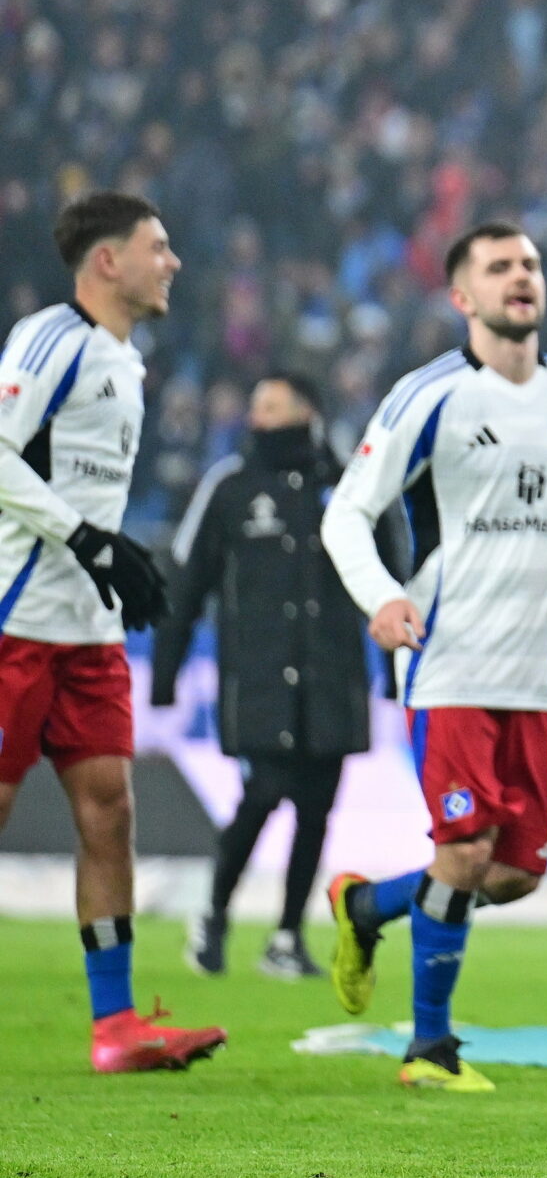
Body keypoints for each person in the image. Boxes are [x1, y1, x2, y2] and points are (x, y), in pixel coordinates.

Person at [318, 222, 547, 1092]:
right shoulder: (427, 397)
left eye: (530, 264)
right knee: (460, 856)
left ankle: (363, 905)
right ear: (462, 297)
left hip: (535, 673)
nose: (520, 278)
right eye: (499, 268)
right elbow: (345, 513)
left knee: (509, 875)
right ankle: (429, 1049)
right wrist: (381, 597)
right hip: (447, 658)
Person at [0, 192, 221, 1073]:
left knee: (110, 811)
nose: (171, 263)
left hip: (87, 635)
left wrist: (109, 566)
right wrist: (88, 538)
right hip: (13, 620)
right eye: (157, 248)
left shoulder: (128, 364)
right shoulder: (51, 340)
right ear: (107, 261)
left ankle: (115, 1026)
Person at [157, 371, 385, 980]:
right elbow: (185, 583)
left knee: (316, 810)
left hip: (331, 678)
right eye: (255, 404)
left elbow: (391, 577)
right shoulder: (229, 487)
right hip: (258, 681)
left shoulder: (350, 488)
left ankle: (286, 936)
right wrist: (165, 675)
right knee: (261, 797)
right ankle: (214, 913)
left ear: (306, 411)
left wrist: (394, 665)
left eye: (272, 405)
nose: (257, 416)